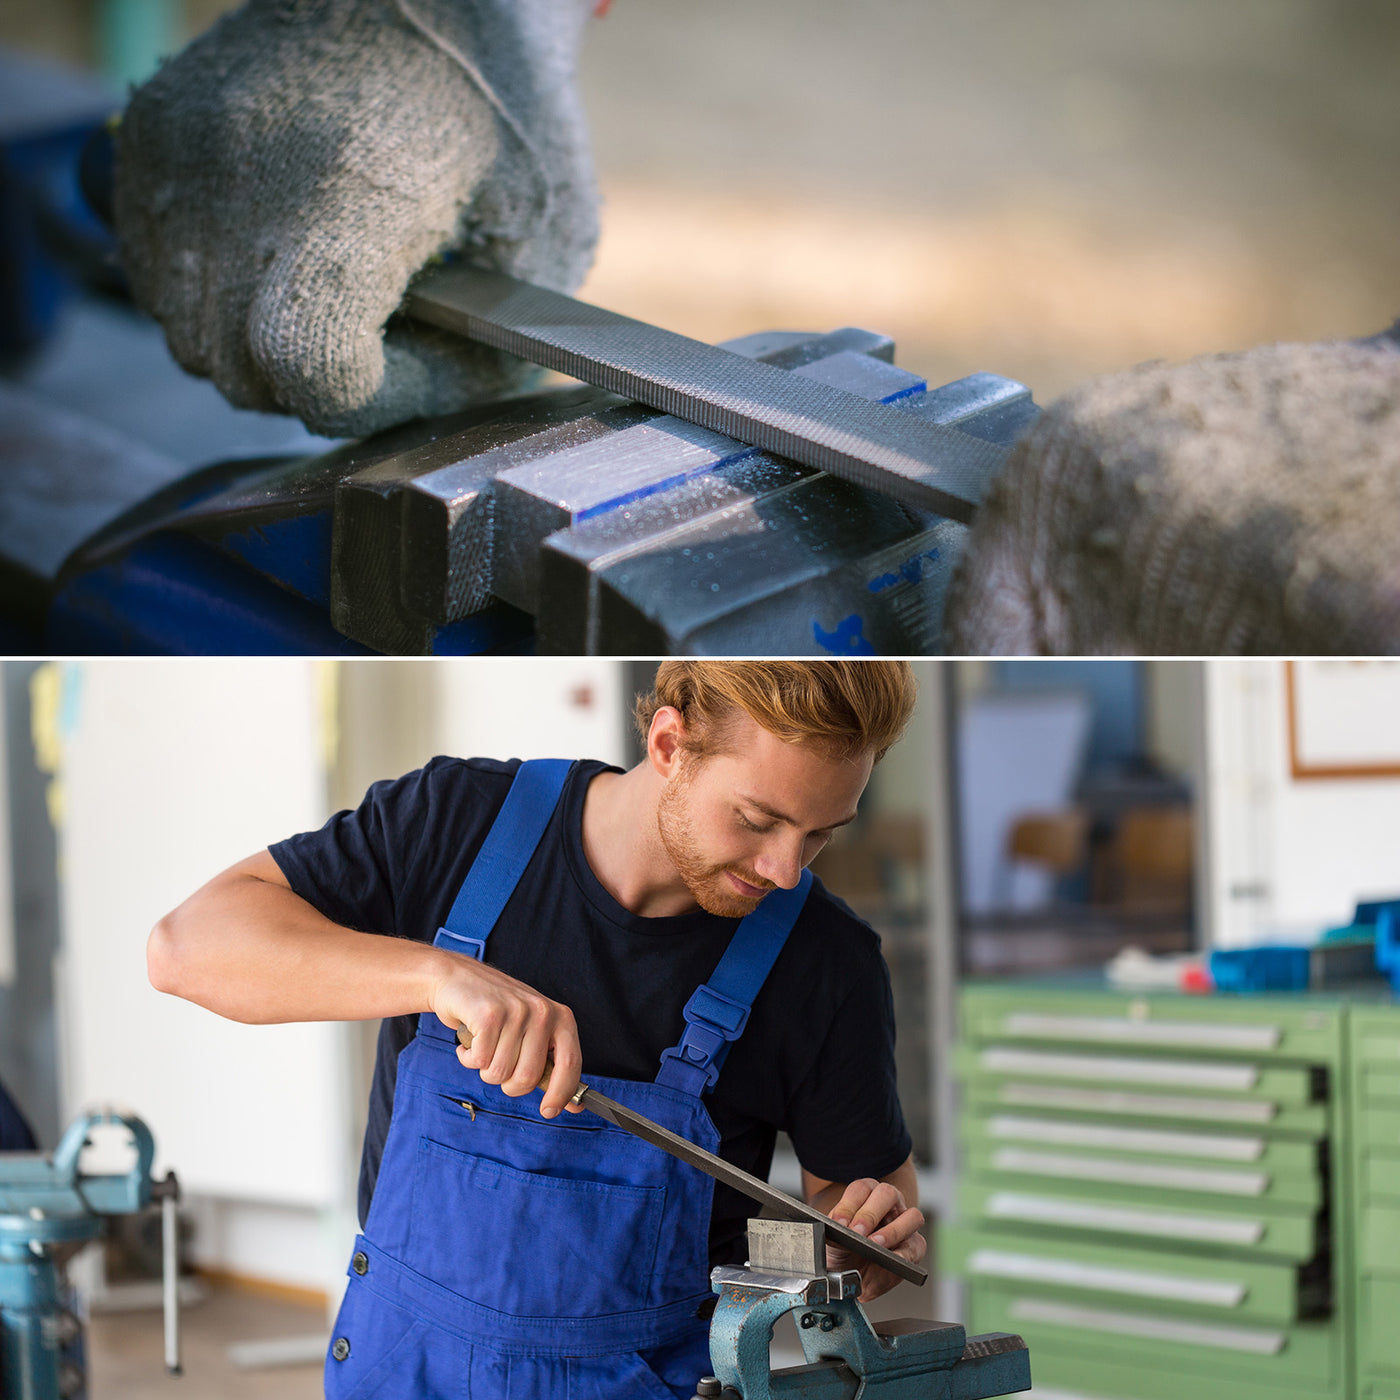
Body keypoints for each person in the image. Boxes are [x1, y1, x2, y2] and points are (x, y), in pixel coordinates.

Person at [147, 660, 927, 1399]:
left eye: (822, 834)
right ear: (668, 745)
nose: (785, 869)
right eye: (760, 820)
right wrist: (435, 975)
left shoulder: (825, 961)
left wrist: (868, 1236)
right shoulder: (459, 820)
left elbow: (859, 1209)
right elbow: (185, 947)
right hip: (401, 1368)